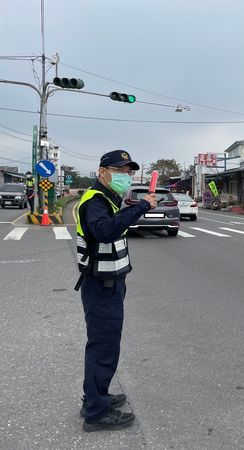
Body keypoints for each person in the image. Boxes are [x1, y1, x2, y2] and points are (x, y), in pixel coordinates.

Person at [75, 150, 157, 432]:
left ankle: (96, 397)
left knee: (104, 345)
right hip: (101, 286)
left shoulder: (107, 198)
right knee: (103, 348)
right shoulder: (96, 200)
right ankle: (96, 413)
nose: (126, 176)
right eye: (120, 170)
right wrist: (141, 207)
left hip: (108, 283)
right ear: (102, 172)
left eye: (130, 171)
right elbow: (105, 230)